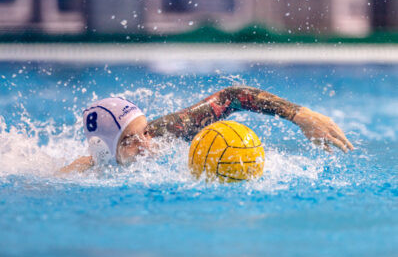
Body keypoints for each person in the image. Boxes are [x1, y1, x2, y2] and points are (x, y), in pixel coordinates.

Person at [59, 86, 354, 174]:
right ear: (105, 151)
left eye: (146, 132)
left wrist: (300, 115)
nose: (148, 145)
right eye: (130, 142)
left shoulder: (165, 134)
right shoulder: (84, 174)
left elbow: (230, 97)